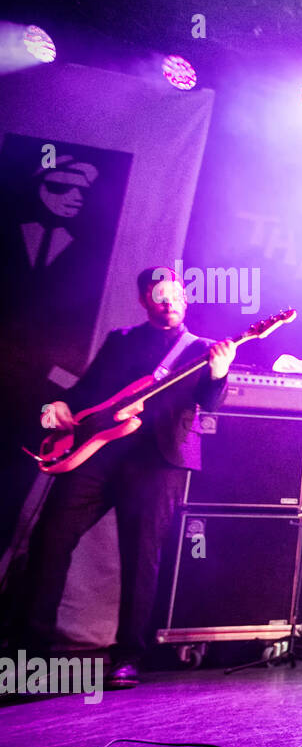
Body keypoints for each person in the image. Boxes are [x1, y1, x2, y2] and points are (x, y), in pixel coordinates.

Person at [14, 267, 234, 688]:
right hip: (99, 455)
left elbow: (210, 403)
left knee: (141, 557)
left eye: (175, 295)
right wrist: (59, 408)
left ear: (185, 301)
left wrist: (220, 373)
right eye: (159, 295)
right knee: (49, 539)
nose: (169, 301)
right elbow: (88, 392)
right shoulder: (121, 340)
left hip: (158, 461)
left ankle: (127, 657)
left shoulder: (202, 349)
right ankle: (31, 652)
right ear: (144, 301)